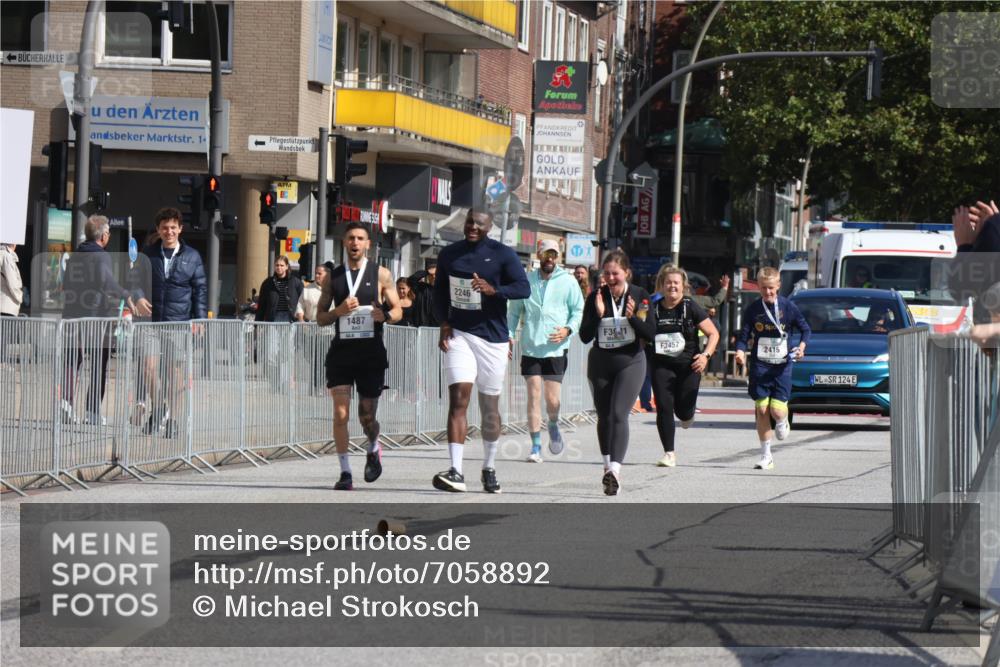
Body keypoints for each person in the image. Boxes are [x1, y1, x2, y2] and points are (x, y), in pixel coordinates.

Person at [431, 209, 530, 493]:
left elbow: (523, 288)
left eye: (479, 224)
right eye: (470, 222)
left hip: (493, 339)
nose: (473, 227)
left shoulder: (503, 254)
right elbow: (439, 292)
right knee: (459, 397)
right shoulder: (450, 254)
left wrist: (493, 290)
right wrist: (444, 322)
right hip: (461, 334)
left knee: (489, 408)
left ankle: (488, 466)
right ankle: (456, 470)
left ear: (489, 227)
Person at [316, 222, 402, 491]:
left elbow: (398, 309)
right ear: (344, 242)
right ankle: (345, 473)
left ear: (368, 244)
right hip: (342, 352)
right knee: (340, 413)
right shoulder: (334, 277)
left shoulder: (381, 274)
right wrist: (338, 311)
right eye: (351, 237)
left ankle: (373, 445)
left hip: (370, 353)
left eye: (360, 238)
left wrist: (385, 315)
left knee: (366, 415)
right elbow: (319, 318)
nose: (355, 242)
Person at [578, 250, 656, 495]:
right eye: (607, 273)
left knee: (618, 413)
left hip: (630, 361)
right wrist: (599, 315)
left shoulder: (640, 296)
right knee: (604, 416)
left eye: (616, 274)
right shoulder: (596, 297)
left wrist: (632, 318)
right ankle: (606, 468)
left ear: (627, 274)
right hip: (601, 361)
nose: (611, 278)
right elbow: (584, 336)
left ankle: (615, 469)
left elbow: (650, 335)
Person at [60, 215, 149, 425]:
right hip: (95, 317)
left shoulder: (75, 255)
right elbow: (106, 282)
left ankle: (65, 404)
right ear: (104, 236)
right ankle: (92, 412)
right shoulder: (101, 256)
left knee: (73, 361)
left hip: (71, 315)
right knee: (100, 362)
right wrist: (126, 294)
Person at [507, 240, 584, 463]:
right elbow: (513, 313)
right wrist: (509, 335)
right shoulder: (526, 280)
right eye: (545, 254)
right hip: (531, 346)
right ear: (539, 255)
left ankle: (552, 423)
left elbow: (578, 311)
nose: (549, 258)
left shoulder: (568, 282)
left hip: (556, 348)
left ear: (558, 257)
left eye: (553, 254)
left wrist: (568, 330)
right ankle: (536, 447)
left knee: (552, 401)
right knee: (533, 396)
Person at [133, 207, 207, 437]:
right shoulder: (148, 253)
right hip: (151, 322)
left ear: (180, 229)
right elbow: (134, 280)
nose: (169, 231)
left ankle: (173, 420)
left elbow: (200, 289)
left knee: (175, 374)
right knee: (148, 368)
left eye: (173, 227)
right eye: (165, 227)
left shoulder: (192, 256)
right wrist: (139, 297)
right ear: (158, 229)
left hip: (178, 322)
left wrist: (200, 318)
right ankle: (158, 409)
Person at [734, 267, 811, 470]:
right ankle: (766, 455)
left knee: (776, 410)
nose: (768, 292)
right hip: (760, 365)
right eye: (763, 288)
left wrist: (802, 347)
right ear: (758, 287)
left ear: (778, 286)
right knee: (761, 409)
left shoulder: (788, 307)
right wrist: (740, 352)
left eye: (771, 288)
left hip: (782, 366)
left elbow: (805, 329)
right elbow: (744, 336)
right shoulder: (753, 310)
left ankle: (783, 420)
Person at [648, 265, 720, 467]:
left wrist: (705, 356)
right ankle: (669, 453)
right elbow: (644, 331)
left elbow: (713, 334)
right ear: (662, 285)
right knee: (663, 406)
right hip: (662, 365)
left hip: (689, 365)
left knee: (683, 413)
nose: (672, 286)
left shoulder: (690, 306)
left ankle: (688, 413)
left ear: (683, 286)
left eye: (676, 283)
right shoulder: (654, 308)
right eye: (668, 282)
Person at [256, 256, 303, 323]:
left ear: (287, 266)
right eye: (277, 265)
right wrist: (257, 324)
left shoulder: (296, 282)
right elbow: (261, 305)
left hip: (291, 318)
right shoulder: (268, 283)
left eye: (282, 265)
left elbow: (302, 302)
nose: (279, 267)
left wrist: (302, 319)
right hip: (273, 317)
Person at [406, 262, 439, 327]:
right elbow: (411, 280)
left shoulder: (443, 290)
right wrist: (426, 272)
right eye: (431, 275)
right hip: (422, 327)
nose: (434, 277)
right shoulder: (422, 287)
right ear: (428, 276)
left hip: (437, 328)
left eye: (436, 274)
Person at [1, 243, 23, 317]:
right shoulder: (7, 256)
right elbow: (13, 283)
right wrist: (20, 298)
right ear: (13, 244)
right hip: (6, 306)